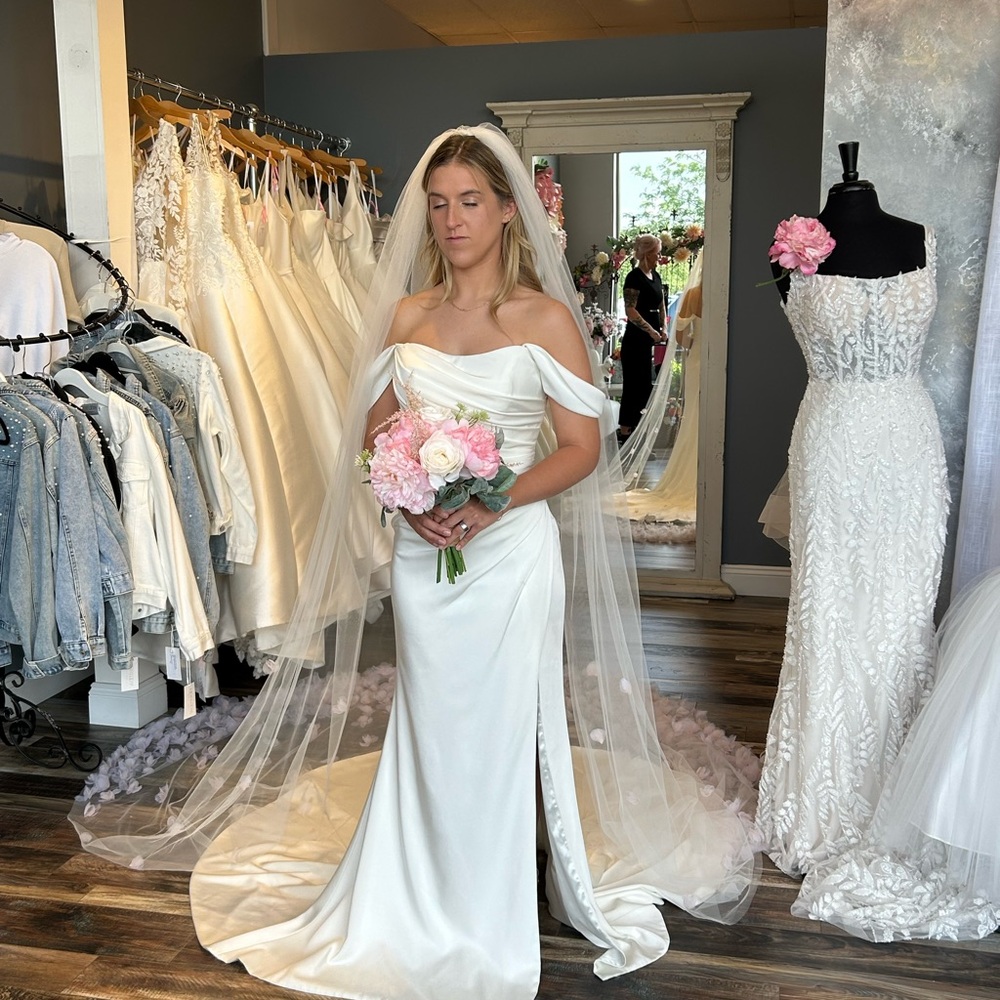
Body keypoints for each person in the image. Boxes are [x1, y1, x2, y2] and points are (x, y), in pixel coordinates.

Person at [69, 125, 758, 1000]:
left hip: (509, 557)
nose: (452, 219)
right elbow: (376, 434)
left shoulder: (543, 318)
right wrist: (411, 491)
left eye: (471, 201)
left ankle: (486, 904)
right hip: (424, 553)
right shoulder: (407, 316)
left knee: (504, 729)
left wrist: (494, 499)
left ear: (509, 211)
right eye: (438, 204)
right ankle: (415, 890)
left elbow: (583, 447)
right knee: (432, 724)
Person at [755, 143, 948, 877]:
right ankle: (821, 797)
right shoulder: (790, 250)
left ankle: (905, 796)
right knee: (828, 611)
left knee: (901, 616)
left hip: (908, 442)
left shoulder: (921, 239)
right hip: (832, 439)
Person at [618, 234, 667, 443]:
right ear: (646, 254)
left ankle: (640, 433)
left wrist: (663, 326)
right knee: (635, 386)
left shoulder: (656, 277)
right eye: (656, 253)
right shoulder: (633, 277)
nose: (659, 257)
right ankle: (626, 432)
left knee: (647, 387)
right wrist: (650, 331)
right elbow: (630, 310)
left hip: (653, 340)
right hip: (636, 340)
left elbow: (661, 304)